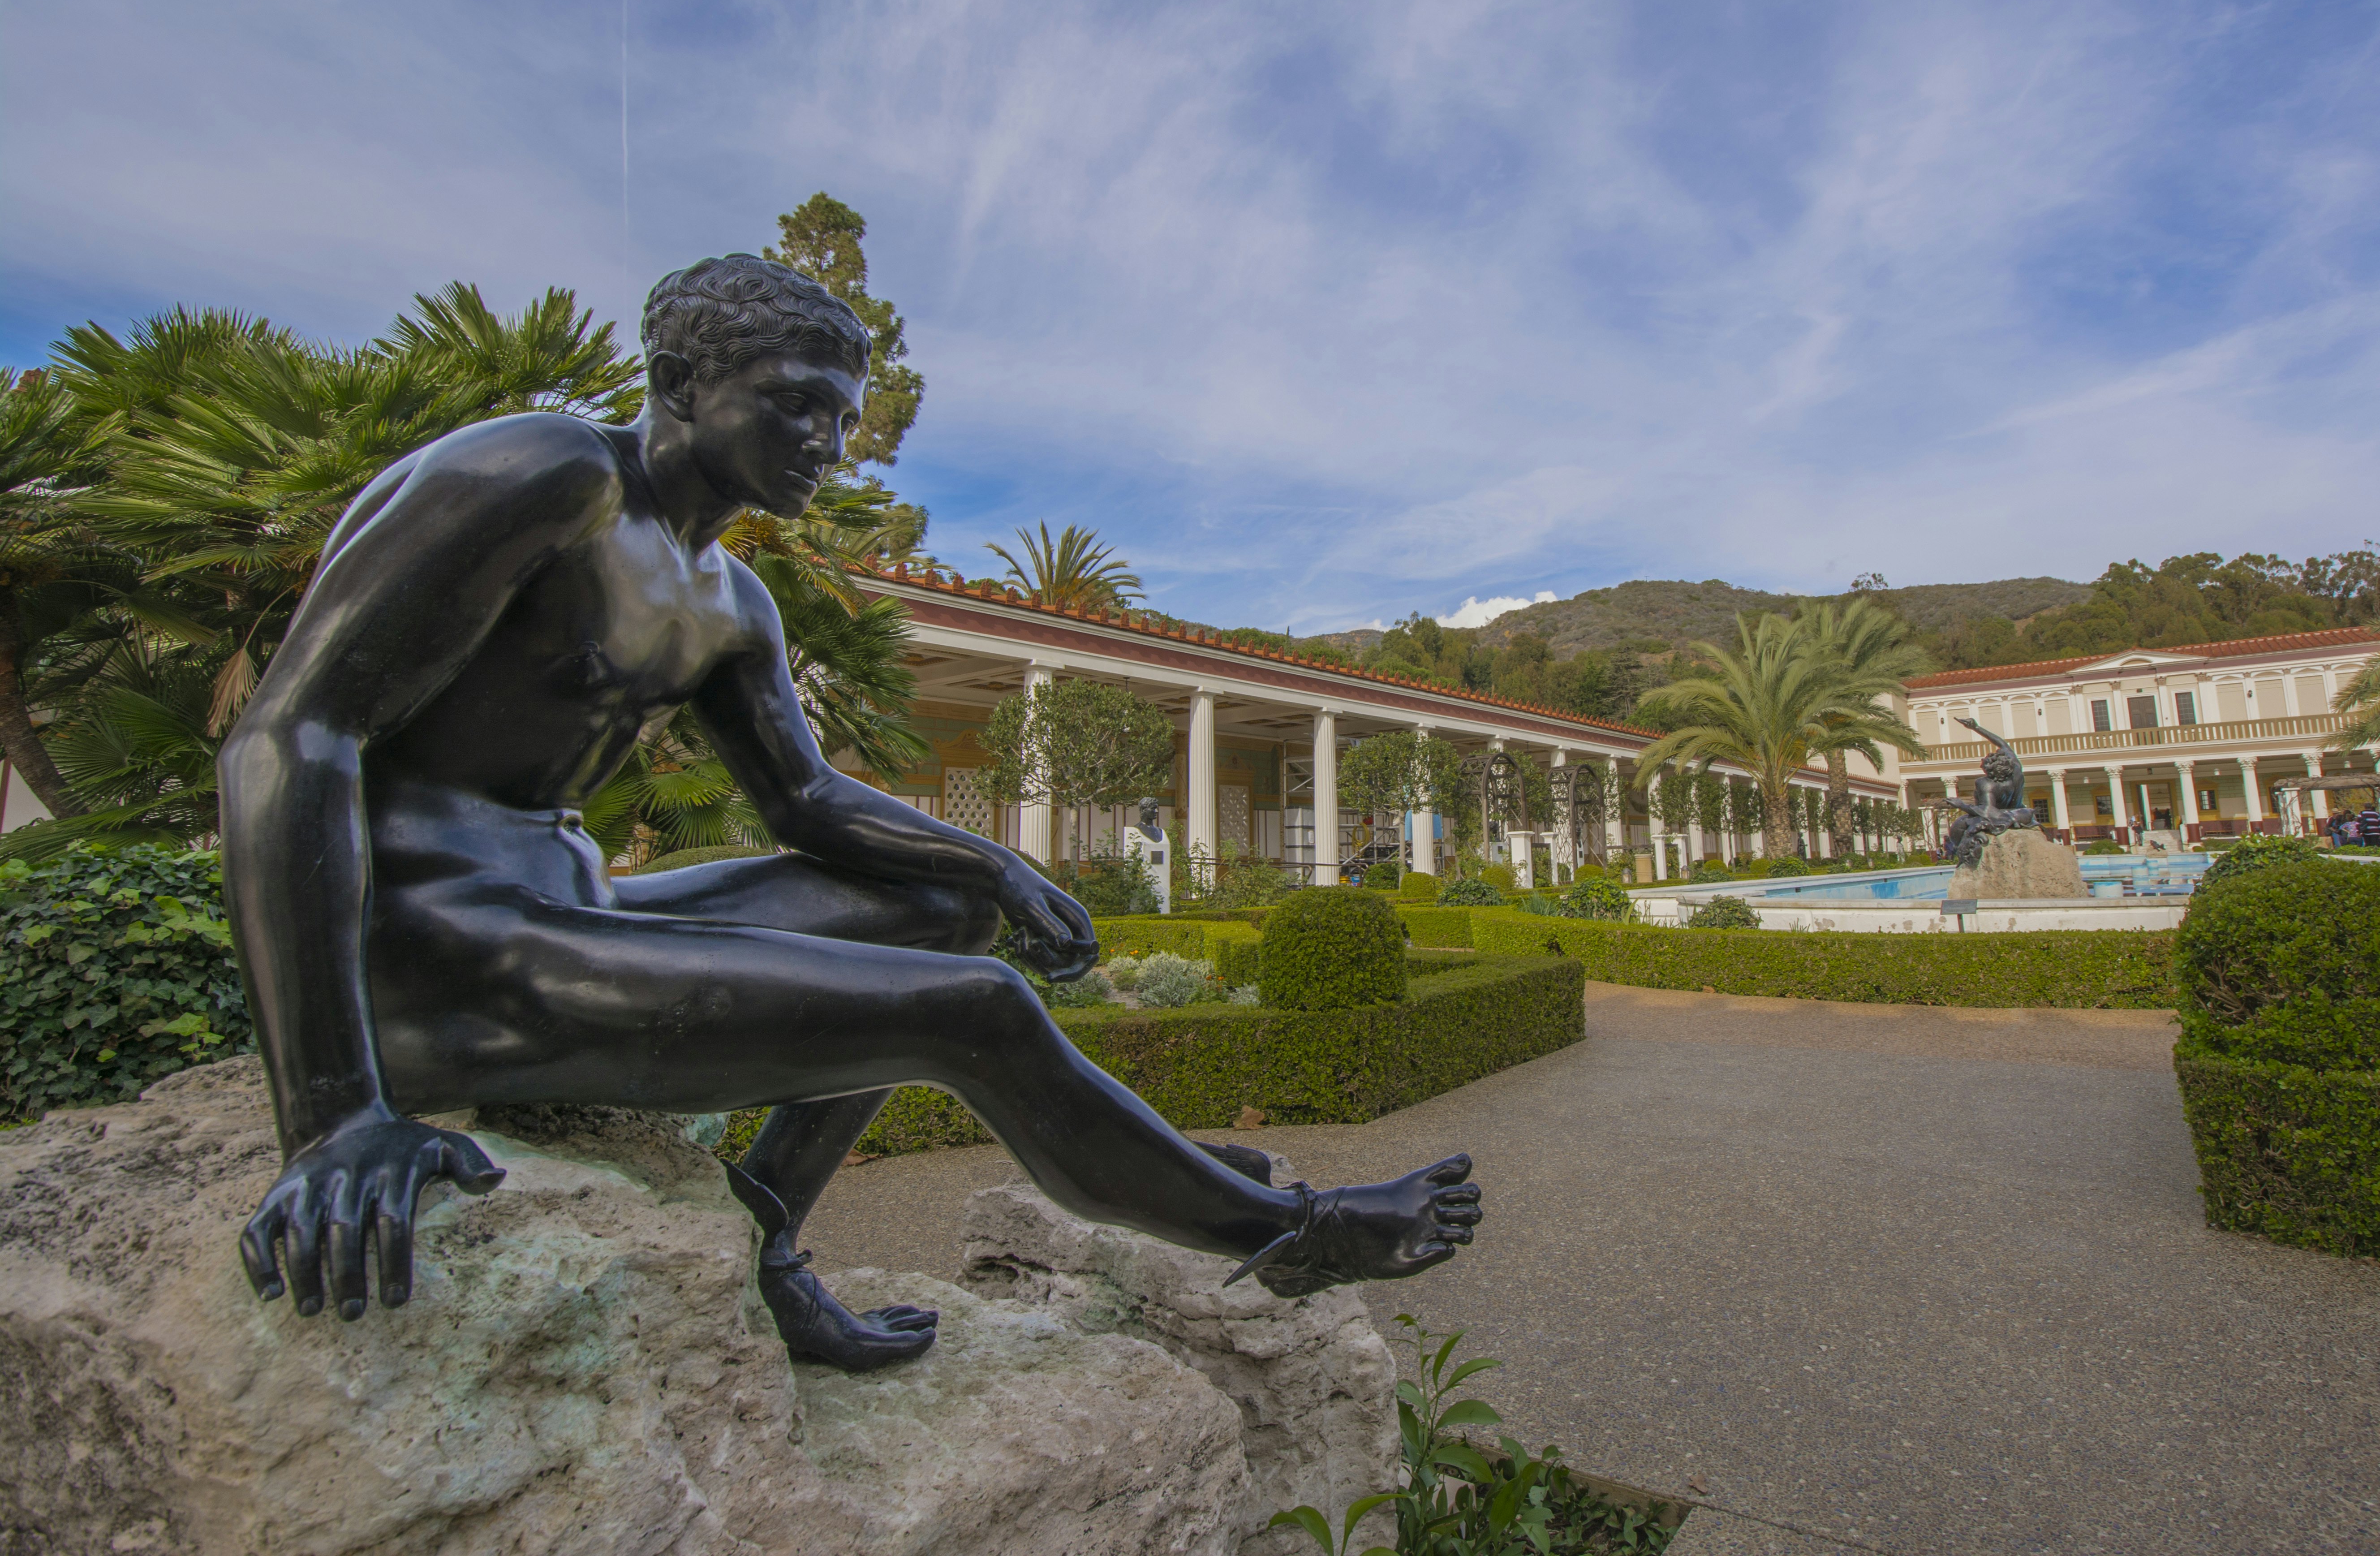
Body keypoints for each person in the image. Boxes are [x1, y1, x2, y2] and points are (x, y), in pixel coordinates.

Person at [220, 256, 1479, 1371]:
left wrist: (993, 865)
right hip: (433, 957)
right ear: (676, 379)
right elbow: (291, 735)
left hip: (560, 915)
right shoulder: (545, 475)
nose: (826, 439)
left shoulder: (732, 602)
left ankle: (766, 1243)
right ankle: (1291, 1234)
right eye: (792, 402)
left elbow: (806, 801)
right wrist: (333, 1115)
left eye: (843, 415)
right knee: (976, 1012)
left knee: (941, 917)